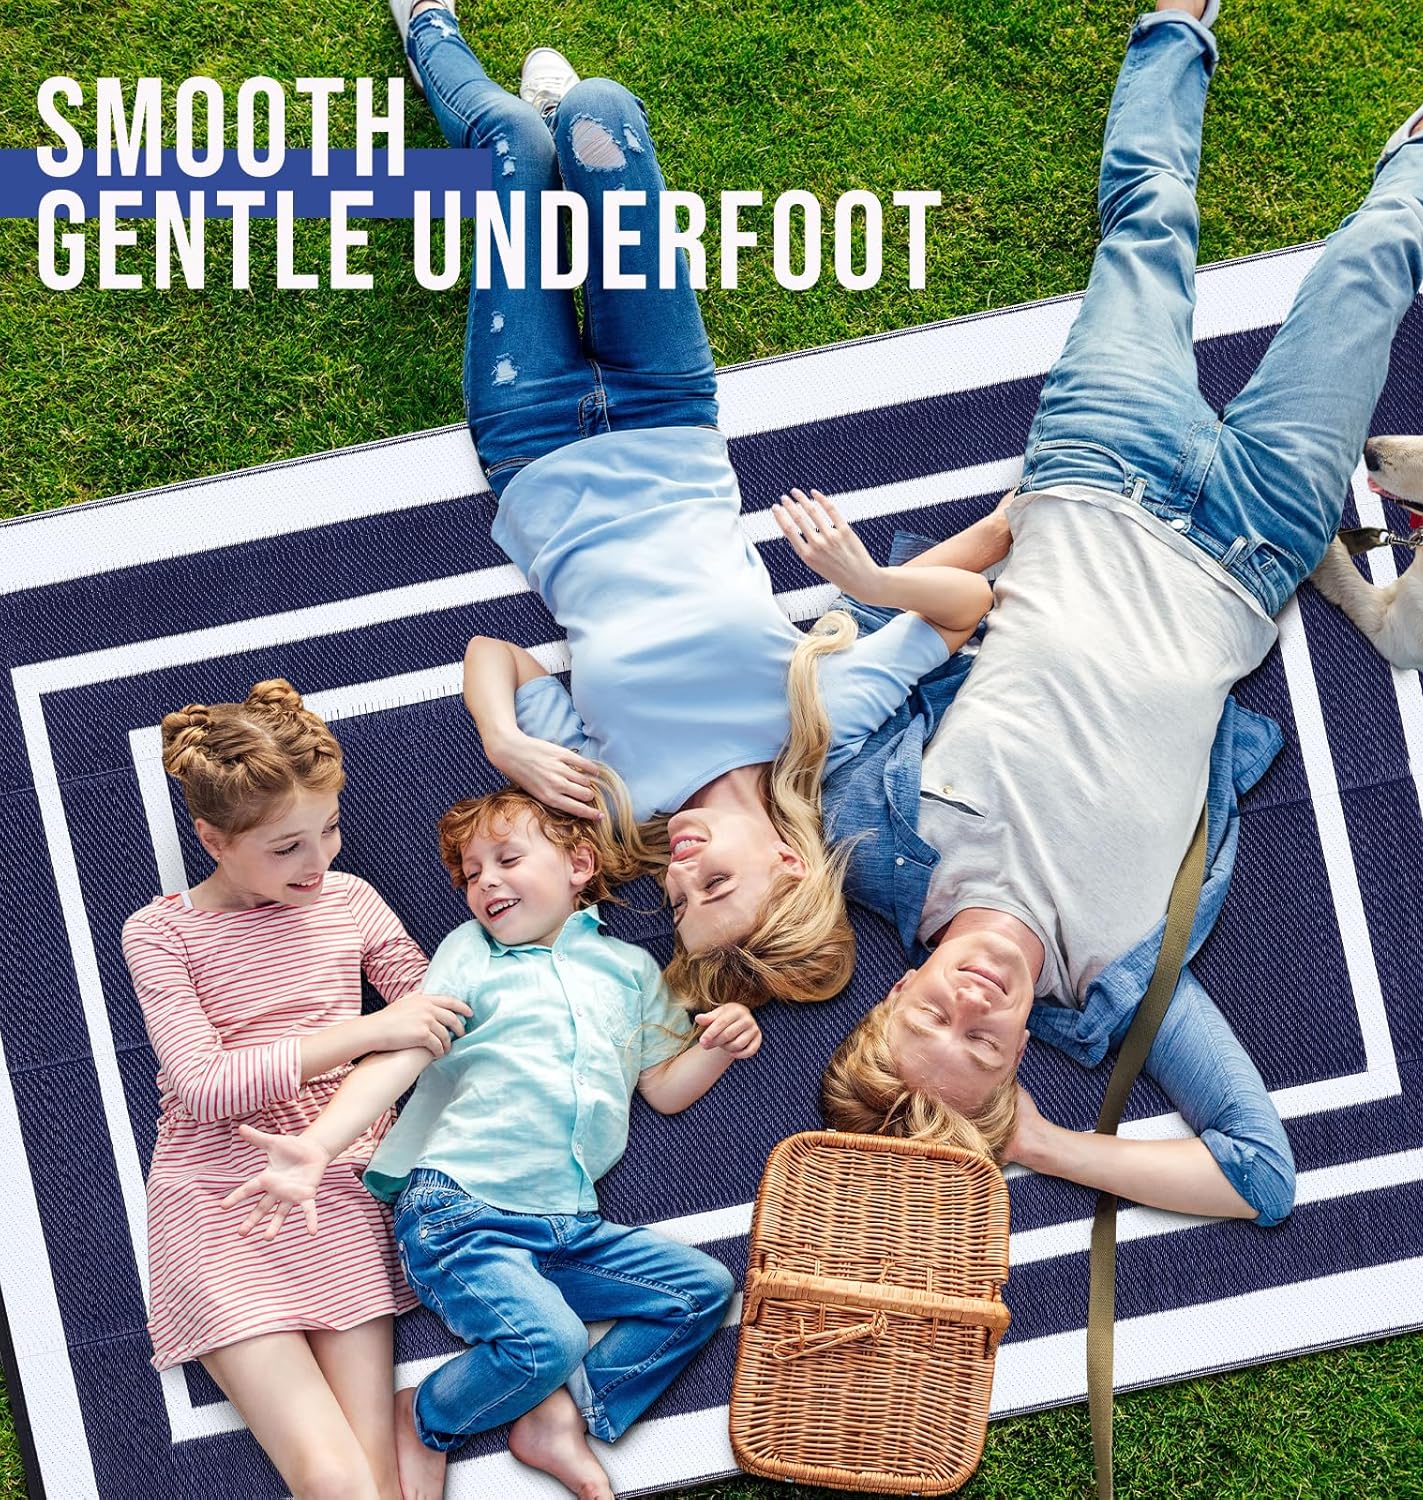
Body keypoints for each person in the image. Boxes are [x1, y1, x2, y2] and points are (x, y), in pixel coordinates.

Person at [815, 1, 1423, 1225]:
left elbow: (838, 690)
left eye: (933, 1017)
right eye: (984, 1045)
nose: (973, 1006)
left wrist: (971, 545)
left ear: (895, 992)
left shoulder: (868, 841)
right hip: (1260, 538)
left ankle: (1175, 25)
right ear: (1016, 1064)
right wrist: (1043, 1144)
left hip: (1094, 467)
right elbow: (1258, 1175)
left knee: (1148, 225)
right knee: (1372, 271)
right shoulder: (1123, 983)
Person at [391, 0, 995, 1013]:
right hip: (667, 412)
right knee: (600, 108)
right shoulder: (818, 727)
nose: (679, 874)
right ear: (790, 863)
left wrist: (503, 739)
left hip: (532, 441)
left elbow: (494, 655)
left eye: (678, 901)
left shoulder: (616, 802)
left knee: (510, 146)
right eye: (714, 886)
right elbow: (964, 611)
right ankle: (575, 153)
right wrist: (868, 580)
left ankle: (428, 29)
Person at [225, 780, 759, 1500]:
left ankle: (562, 1413)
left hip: (568, 1222)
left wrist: (719, 1047)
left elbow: (662, 1086)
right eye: (472, 874)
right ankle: (427, 1418)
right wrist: (319, 1145)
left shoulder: (631, 970)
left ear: (578, 866)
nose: (486, 883)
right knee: (549, 1341)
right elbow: (404, 1054)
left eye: (507, 860)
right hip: (460, 1212)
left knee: (701, 1290)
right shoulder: (472, 953)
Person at [119, 679, 473, 1500]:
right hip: (221, 1202)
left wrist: (406, 1028)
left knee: (376, 1477)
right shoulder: (161, 931)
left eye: (331, 830)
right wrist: (369, 1030)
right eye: (286, 848)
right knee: (332, 1479)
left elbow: (437, 1015)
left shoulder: (351, 901)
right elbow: (206, 1086)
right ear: (212, 839)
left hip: (339, 1188)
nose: (319, 863)